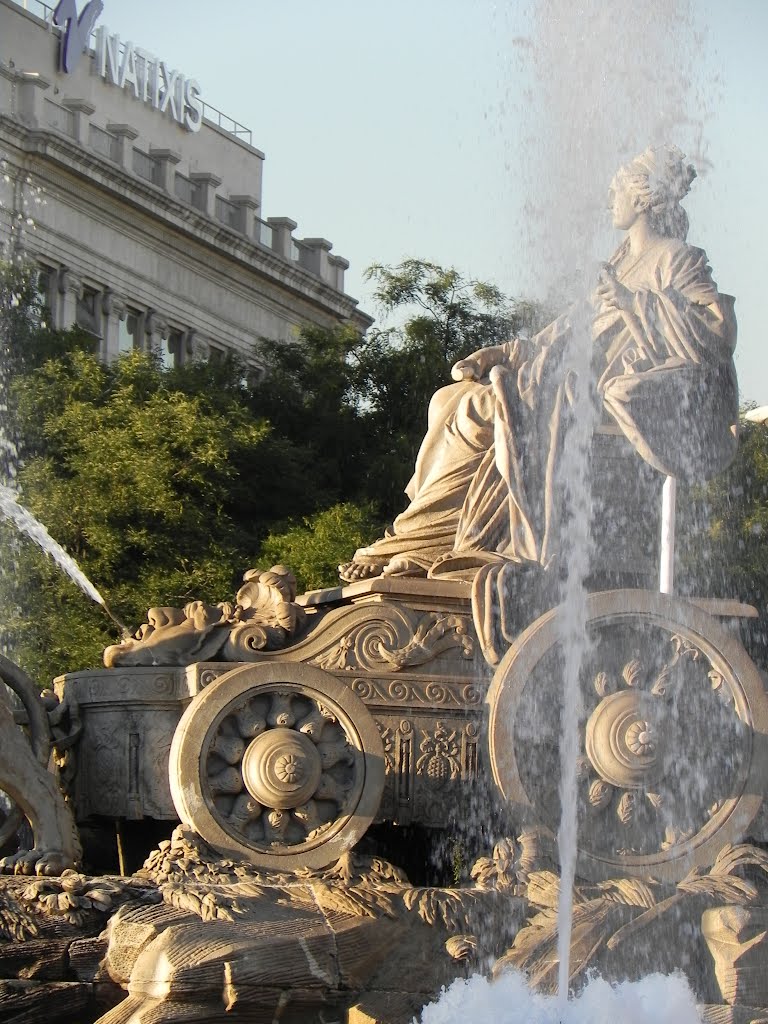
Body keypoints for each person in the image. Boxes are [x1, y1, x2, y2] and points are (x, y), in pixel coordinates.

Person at [339, 146, 738, 660]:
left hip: (604, 405)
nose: (610, 197)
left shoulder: (675, 259)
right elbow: (559, 337)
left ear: (641, 197)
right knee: (450, 398)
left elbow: (716, 331)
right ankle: (423, 539)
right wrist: (504, 350)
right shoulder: (619, 261)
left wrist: (635, 303)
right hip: (567, 386)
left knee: (484, 410)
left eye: (618, 188)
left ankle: (428, 542)